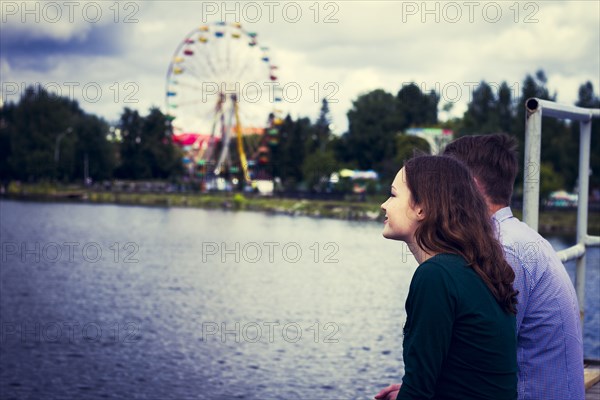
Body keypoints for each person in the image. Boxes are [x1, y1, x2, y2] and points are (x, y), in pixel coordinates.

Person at [441, 134, 585, 399]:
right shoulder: (519, 238)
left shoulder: (502, 251)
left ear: (470, 188)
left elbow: (479, 364)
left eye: (447, 185)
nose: (440, 197)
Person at [377, 155, 518, 400]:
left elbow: (418, 393)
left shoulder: (436, 276)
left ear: (422, 208)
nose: (384, 205)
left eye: (393, 195)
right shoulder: (473, 267)